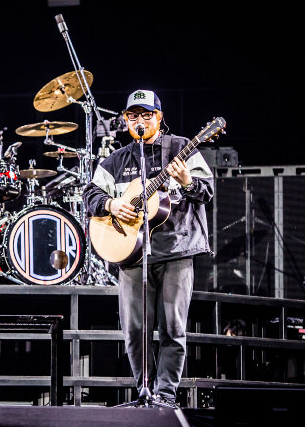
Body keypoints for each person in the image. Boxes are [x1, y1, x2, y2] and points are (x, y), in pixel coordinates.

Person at [83, 89, 214, 408]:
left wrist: (187, 181)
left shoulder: (181, 148)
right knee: (134, 330)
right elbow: (90, 195)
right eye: (133, 115)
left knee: (172, 327)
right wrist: (111, 204)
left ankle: (165, 394)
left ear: (159, 117)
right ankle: (145, 392)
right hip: (131, 255)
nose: (139, 120)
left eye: (146, 114)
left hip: (176, 250)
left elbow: (206, 192)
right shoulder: (115, 160)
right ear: (126, 120)